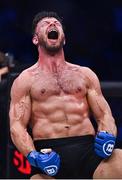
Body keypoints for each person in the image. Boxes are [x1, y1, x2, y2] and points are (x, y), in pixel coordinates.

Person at [9, 11, 122, 179]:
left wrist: (108, 135)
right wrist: (33, 156)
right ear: (35, 39)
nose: (52, 24)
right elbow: (17, 126)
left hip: (88, 150)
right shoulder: (25, 80)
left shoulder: (85, 74)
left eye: (56, 23)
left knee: (119, 159)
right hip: (50, 153)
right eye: (46, 24)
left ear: (64, 39)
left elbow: (104, 114)